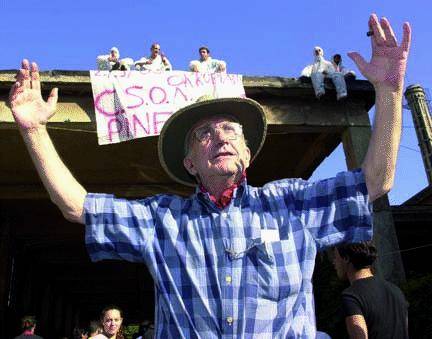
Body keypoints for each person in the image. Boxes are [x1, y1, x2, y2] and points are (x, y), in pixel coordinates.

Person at [8, 14, 411, 338]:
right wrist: (33, 130)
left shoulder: (293, 203)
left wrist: (390, 92)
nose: (219, 136)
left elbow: (376, 181)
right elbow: (75, 205)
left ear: (248, 154)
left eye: (230, 129)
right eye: (204, 133)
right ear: (190, 164)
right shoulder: (162, 221)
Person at [333, 242, 409, 338]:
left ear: (346, 258)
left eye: (335, 257)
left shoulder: (351, 296)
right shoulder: (395, 290)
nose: (334, 262)